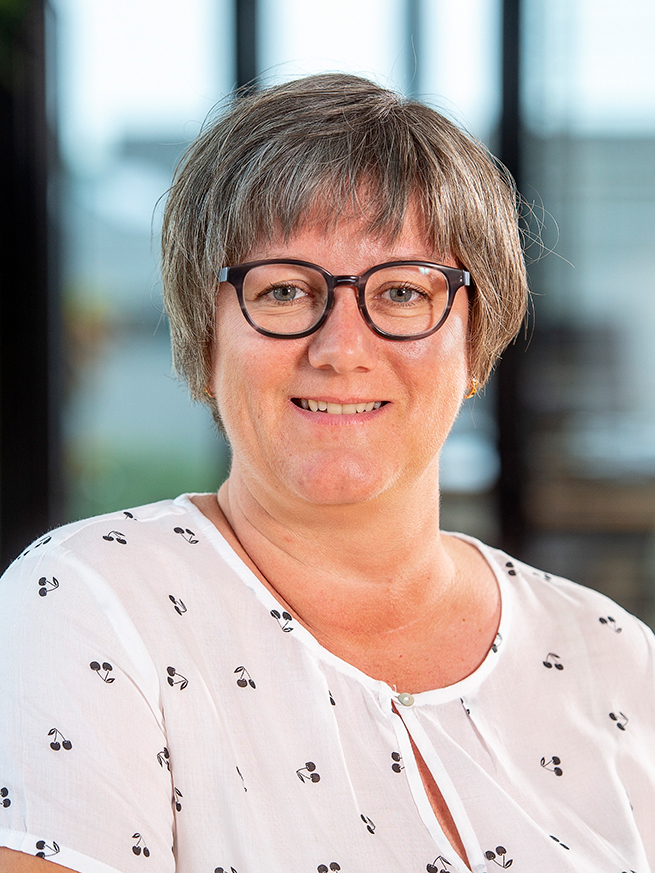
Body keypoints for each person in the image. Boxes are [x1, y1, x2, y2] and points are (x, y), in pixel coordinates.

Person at [0, 73, 653, 873]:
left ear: (476, 340)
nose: (341, 348)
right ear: (206, 332)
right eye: (283, 290)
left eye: (403, 292)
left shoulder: (614, 656)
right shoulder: (85, 604)